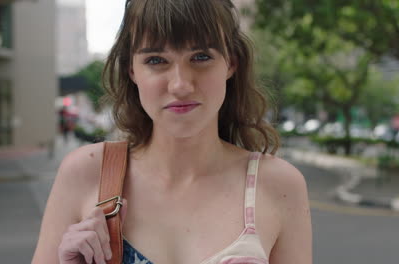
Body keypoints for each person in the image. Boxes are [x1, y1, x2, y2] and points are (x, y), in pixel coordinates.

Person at [32, 0, 312, 263]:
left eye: (201, 56)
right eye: (156, 60)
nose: (180, 85)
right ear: (132, 70)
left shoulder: (279, 185)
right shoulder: (85, 172)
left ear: (231, 63)